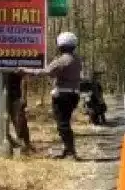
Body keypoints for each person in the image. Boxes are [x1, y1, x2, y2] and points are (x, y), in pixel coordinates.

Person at [25, 31, 82, 159]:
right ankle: (68, 149)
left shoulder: (62, 60)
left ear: (60, 46)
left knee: (62, 124)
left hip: (62, 95)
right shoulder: (77, 59)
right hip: (74, 95)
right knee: (65, 122)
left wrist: (26, 71)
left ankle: (71, 151)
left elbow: (46, 71)